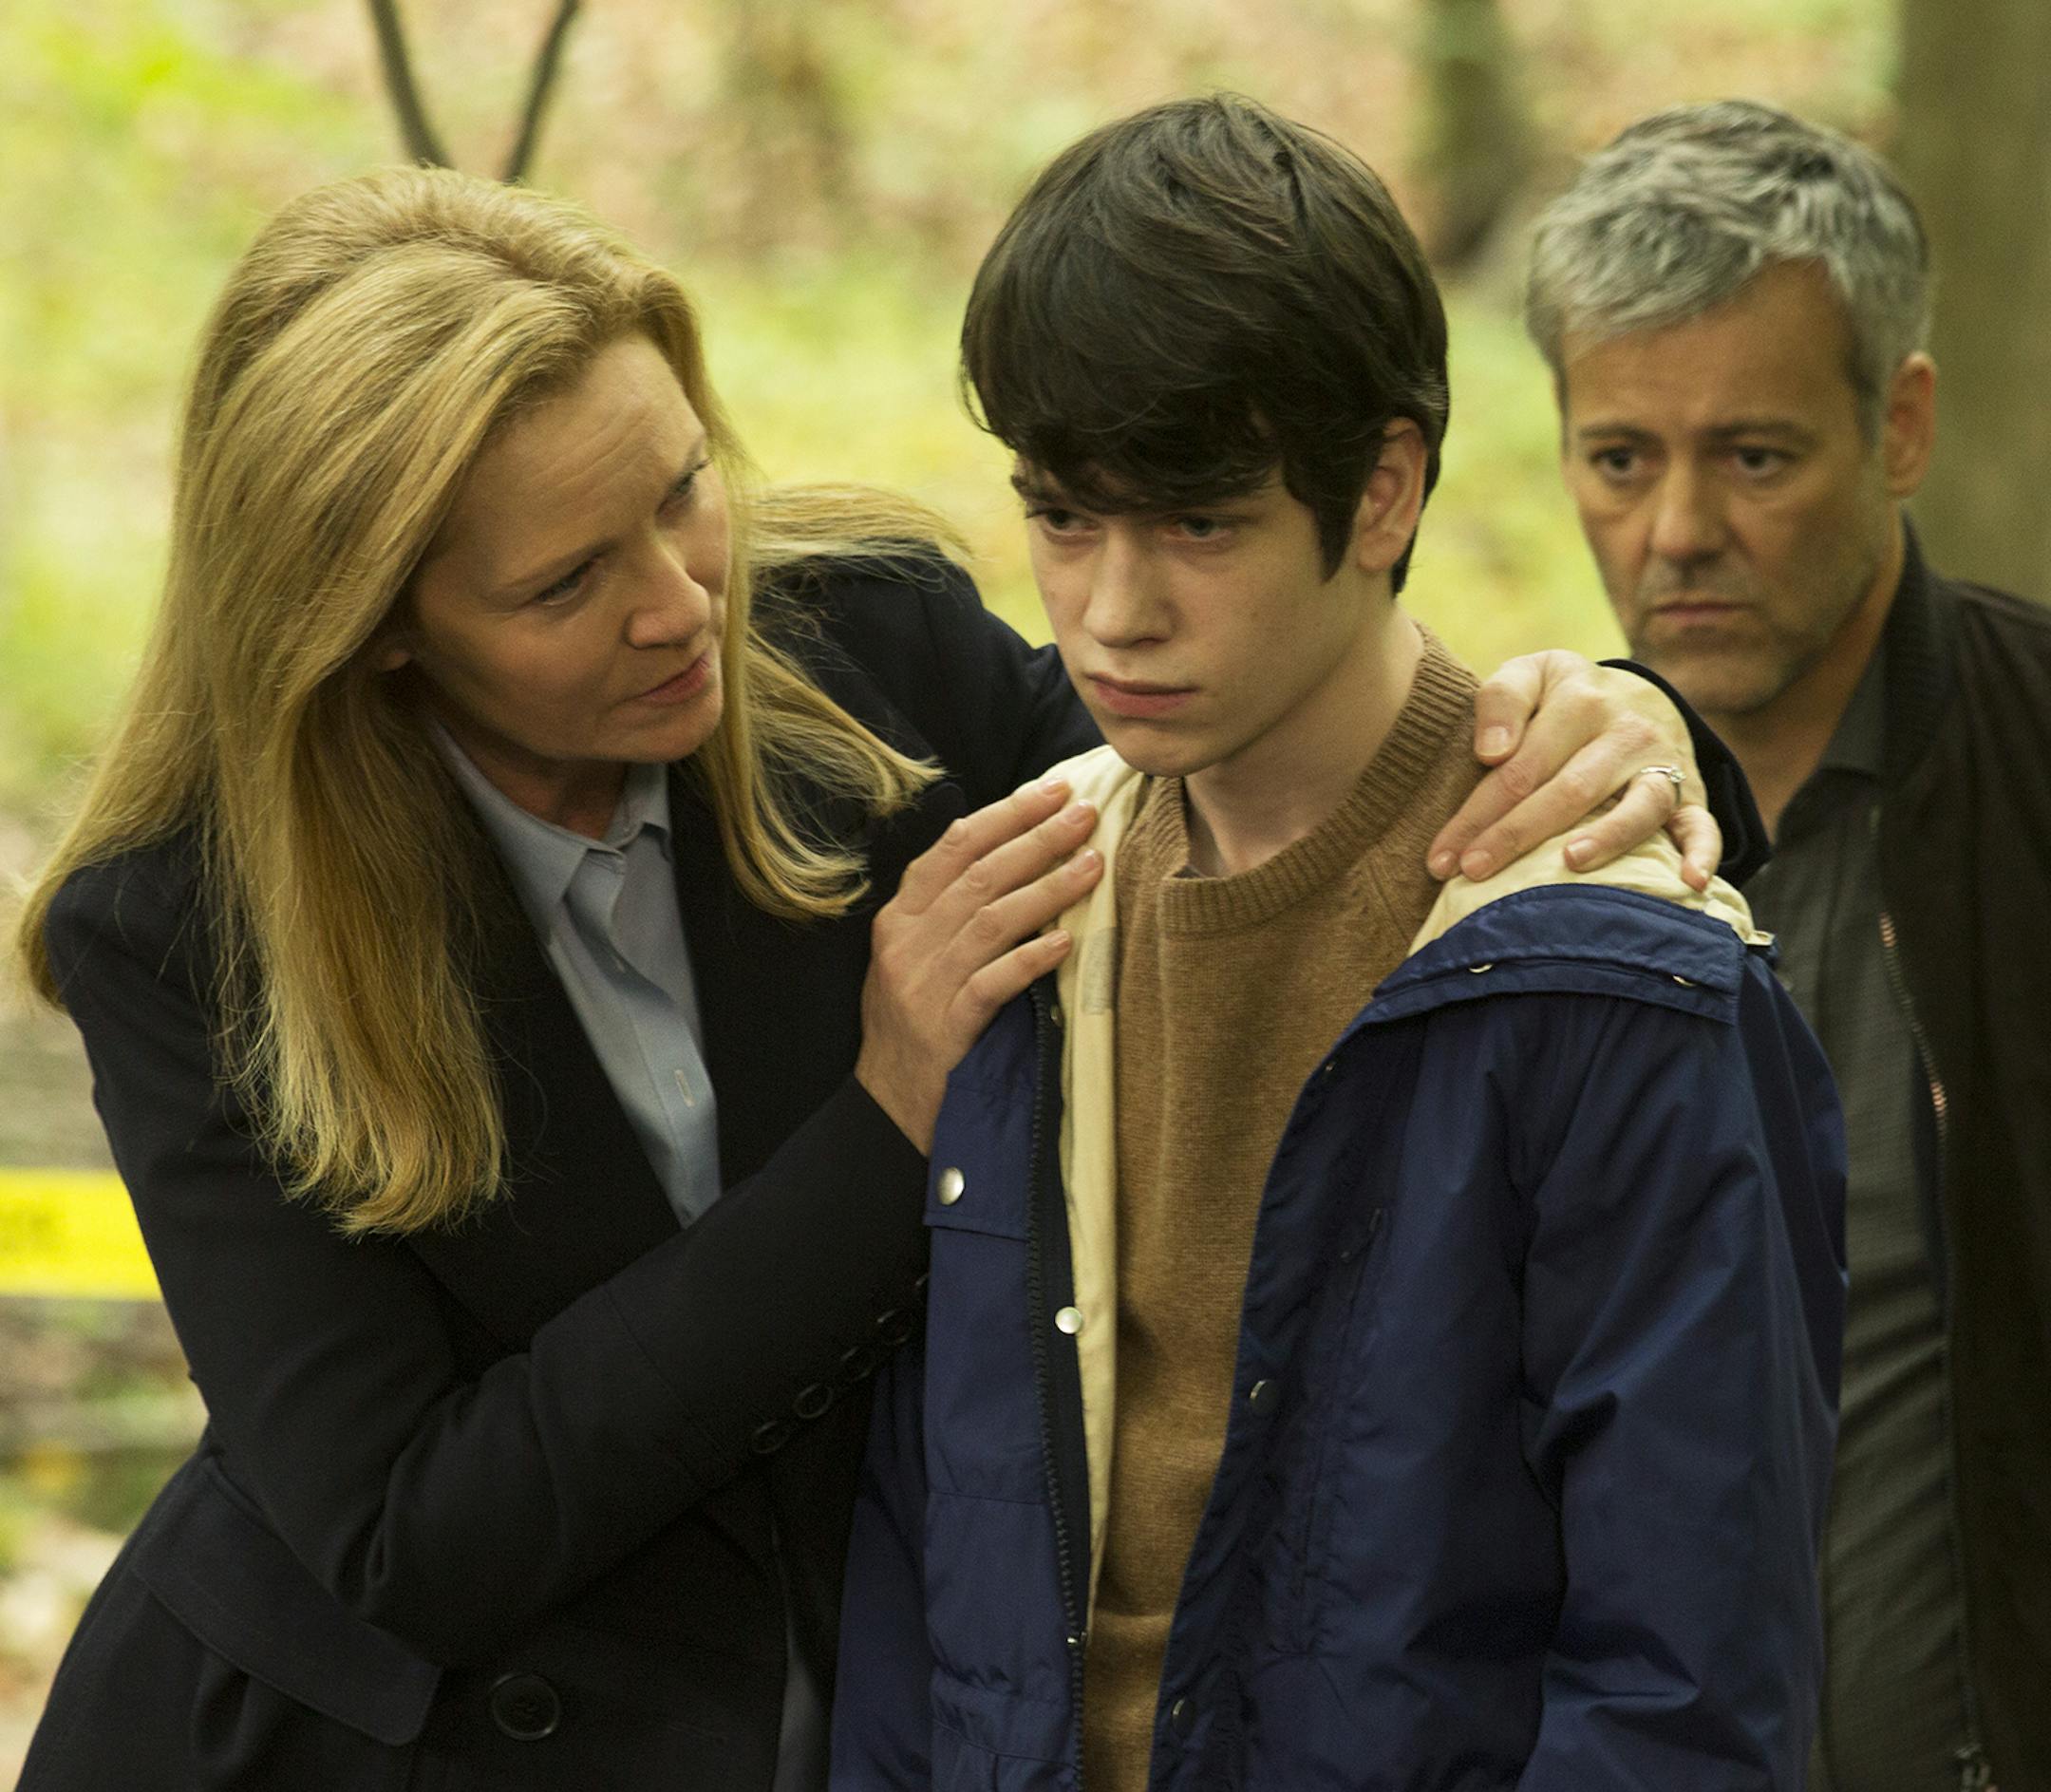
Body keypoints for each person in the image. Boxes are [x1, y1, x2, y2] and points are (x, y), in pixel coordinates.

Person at [9, 167, 1724, 1790]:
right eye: (564, 582)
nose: (682, 603)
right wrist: (884, 1122)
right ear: (378, 627)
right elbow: (412, 1538)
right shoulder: (184, 929)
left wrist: (1614, 724)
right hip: (368, 1751)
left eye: (682, 491)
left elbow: (1261, 763)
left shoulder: (865, 650)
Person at [831, 94, 1846, 1792]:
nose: (1110, 607)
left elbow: (1688, 1683)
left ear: (1382, 492)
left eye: (1198, 525)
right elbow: (935, 1568)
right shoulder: (1028, 905)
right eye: (1064, 518)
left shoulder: (1617, 979)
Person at [1525, 101, 2051, 1792]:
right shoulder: (1517, 853)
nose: (1676, 532)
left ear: (1898, 426)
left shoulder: (2031, 776)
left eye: (1753, 456)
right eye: (1621, 458)